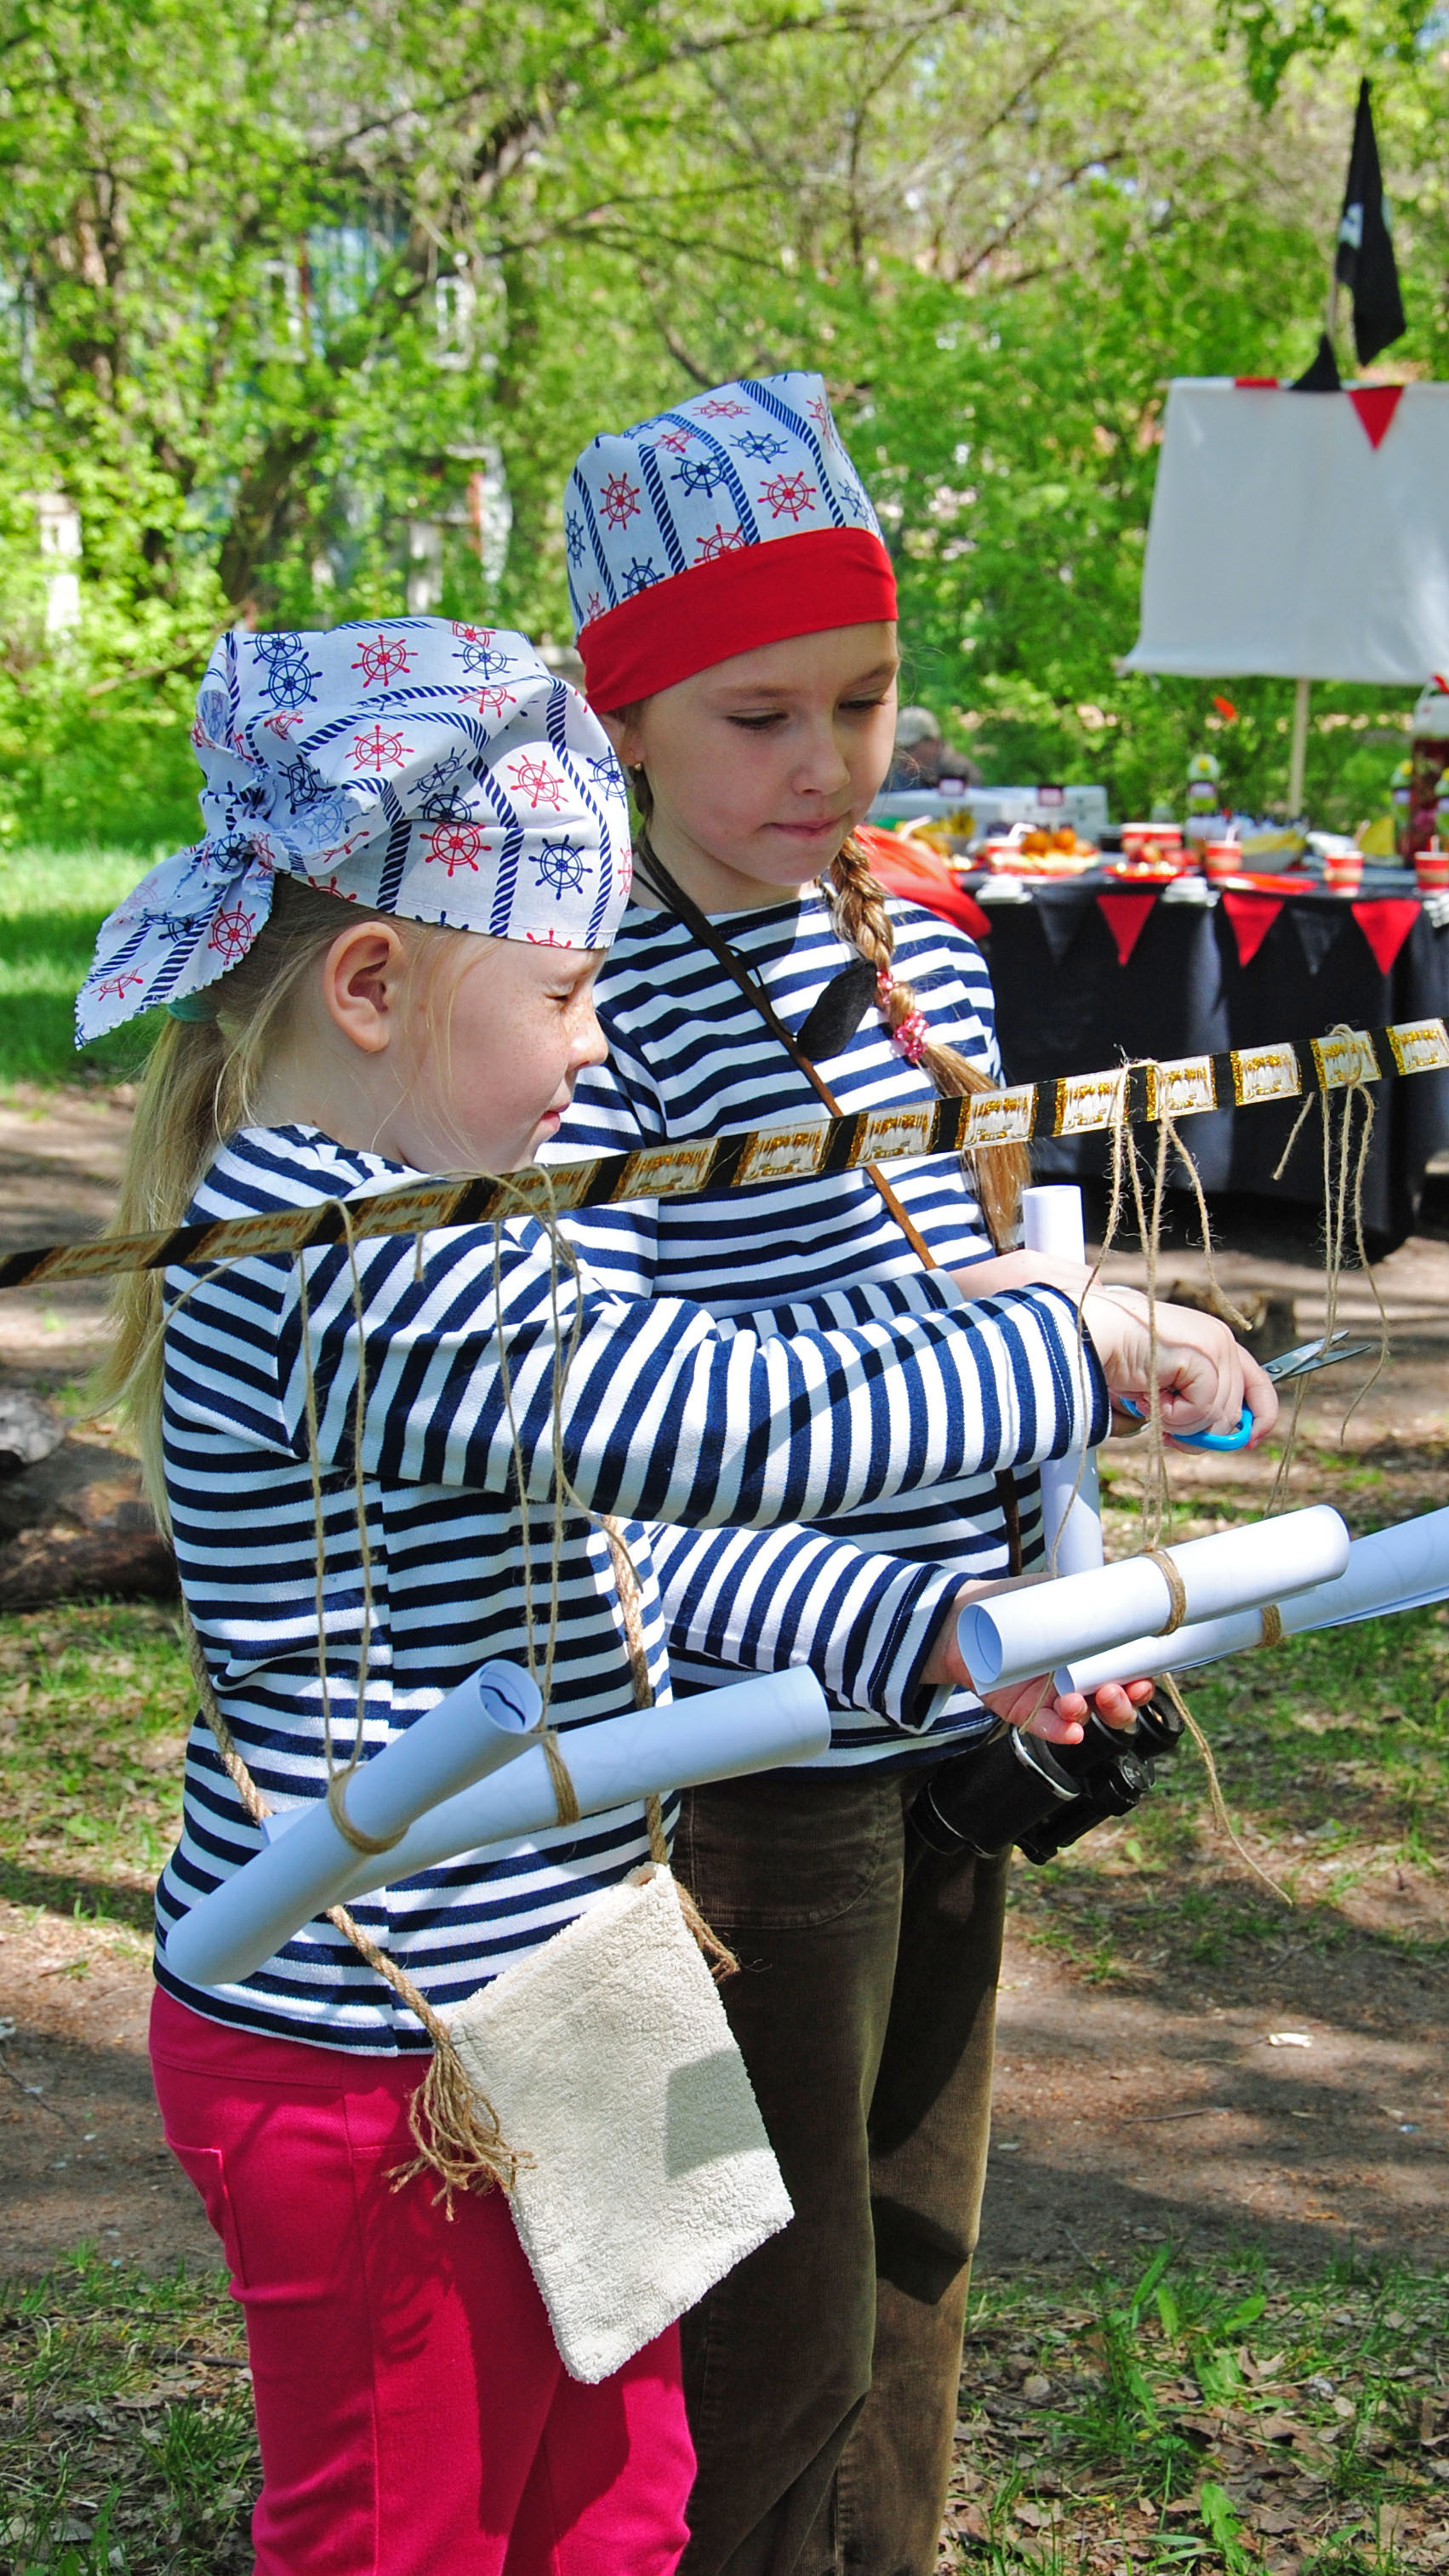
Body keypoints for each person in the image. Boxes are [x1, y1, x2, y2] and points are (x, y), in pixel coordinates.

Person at [83, 618, 1254, 2576]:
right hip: (374, 2036)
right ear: (371, 986)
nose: (604, 1046)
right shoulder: (326, 1252)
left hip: (591, 1968)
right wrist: (1068, 1335)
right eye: (566, 993)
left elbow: (623, 1539)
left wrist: (922, 1635)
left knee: (628, 2492)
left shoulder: (468, 1232)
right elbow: (730, 1417)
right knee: (412, 2532)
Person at [556, 376, 1278, 2576]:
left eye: (861, 699)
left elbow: (978, 1293)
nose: (824, 760)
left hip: (948, 1716)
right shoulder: (566, 1000)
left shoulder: (920, 935)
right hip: (688, 1767)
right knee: (707, 2322)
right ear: (630, 714)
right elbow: (563, 1456)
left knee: (899, 2266)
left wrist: (1079, 1457)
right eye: (756, 711)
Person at [882, 704, 980, 794]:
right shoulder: (889, 776)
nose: (903, 756)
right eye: (899, 748)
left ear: (933, 743)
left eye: (910, 748)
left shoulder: (960, 772)